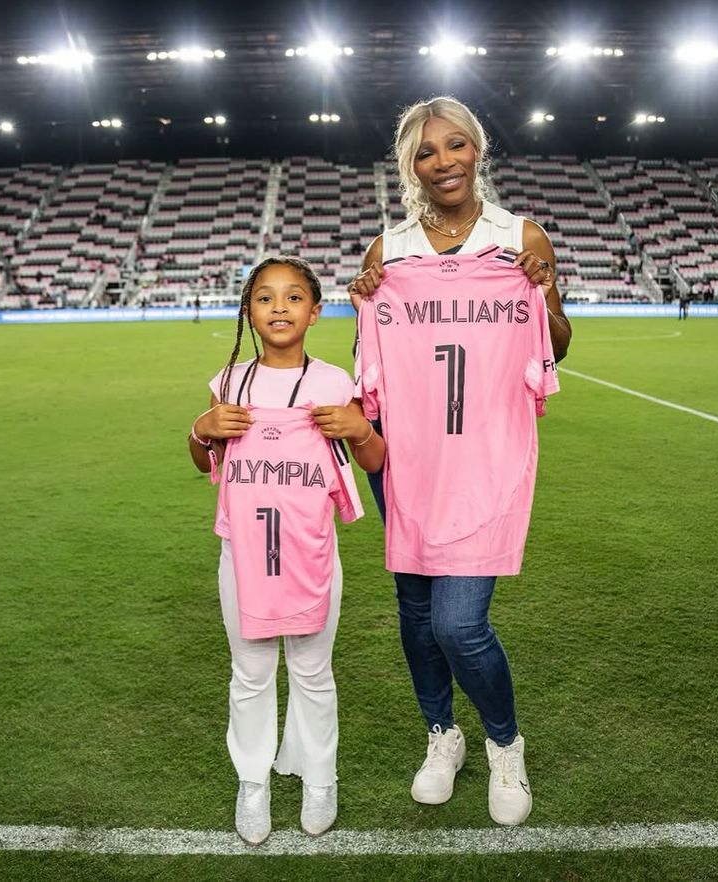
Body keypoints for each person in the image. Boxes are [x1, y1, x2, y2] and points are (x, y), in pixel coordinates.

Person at [345, 96, 571, 827]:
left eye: (455, 146)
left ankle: (505, 742)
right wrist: (365, 300)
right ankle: (442, 734)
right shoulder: (388, 251)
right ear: (410, 165)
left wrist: (543, 291)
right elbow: (368, 378)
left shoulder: (521, 237)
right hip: (405, 462)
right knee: (415, 613)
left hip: (484, 460)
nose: (443, 161)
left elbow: (555, 344)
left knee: (459, 624)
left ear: (478, 150)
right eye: (425, 151)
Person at [188, 256, 385, 845]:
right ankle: (253, 782)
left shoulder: (335, 383)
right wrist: (202, 428)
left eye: (293, 297)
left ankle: (319, 777)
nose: (279, 307)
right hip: (243, 555)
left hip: (312, 553)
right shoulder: (230, 384)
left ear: (316, 311)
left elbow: (375, 460)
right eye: (265, 298)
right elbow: (205, 461)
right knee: (249, 674)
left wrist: (359, 429)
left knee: (313, 671)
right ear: (248, 311)